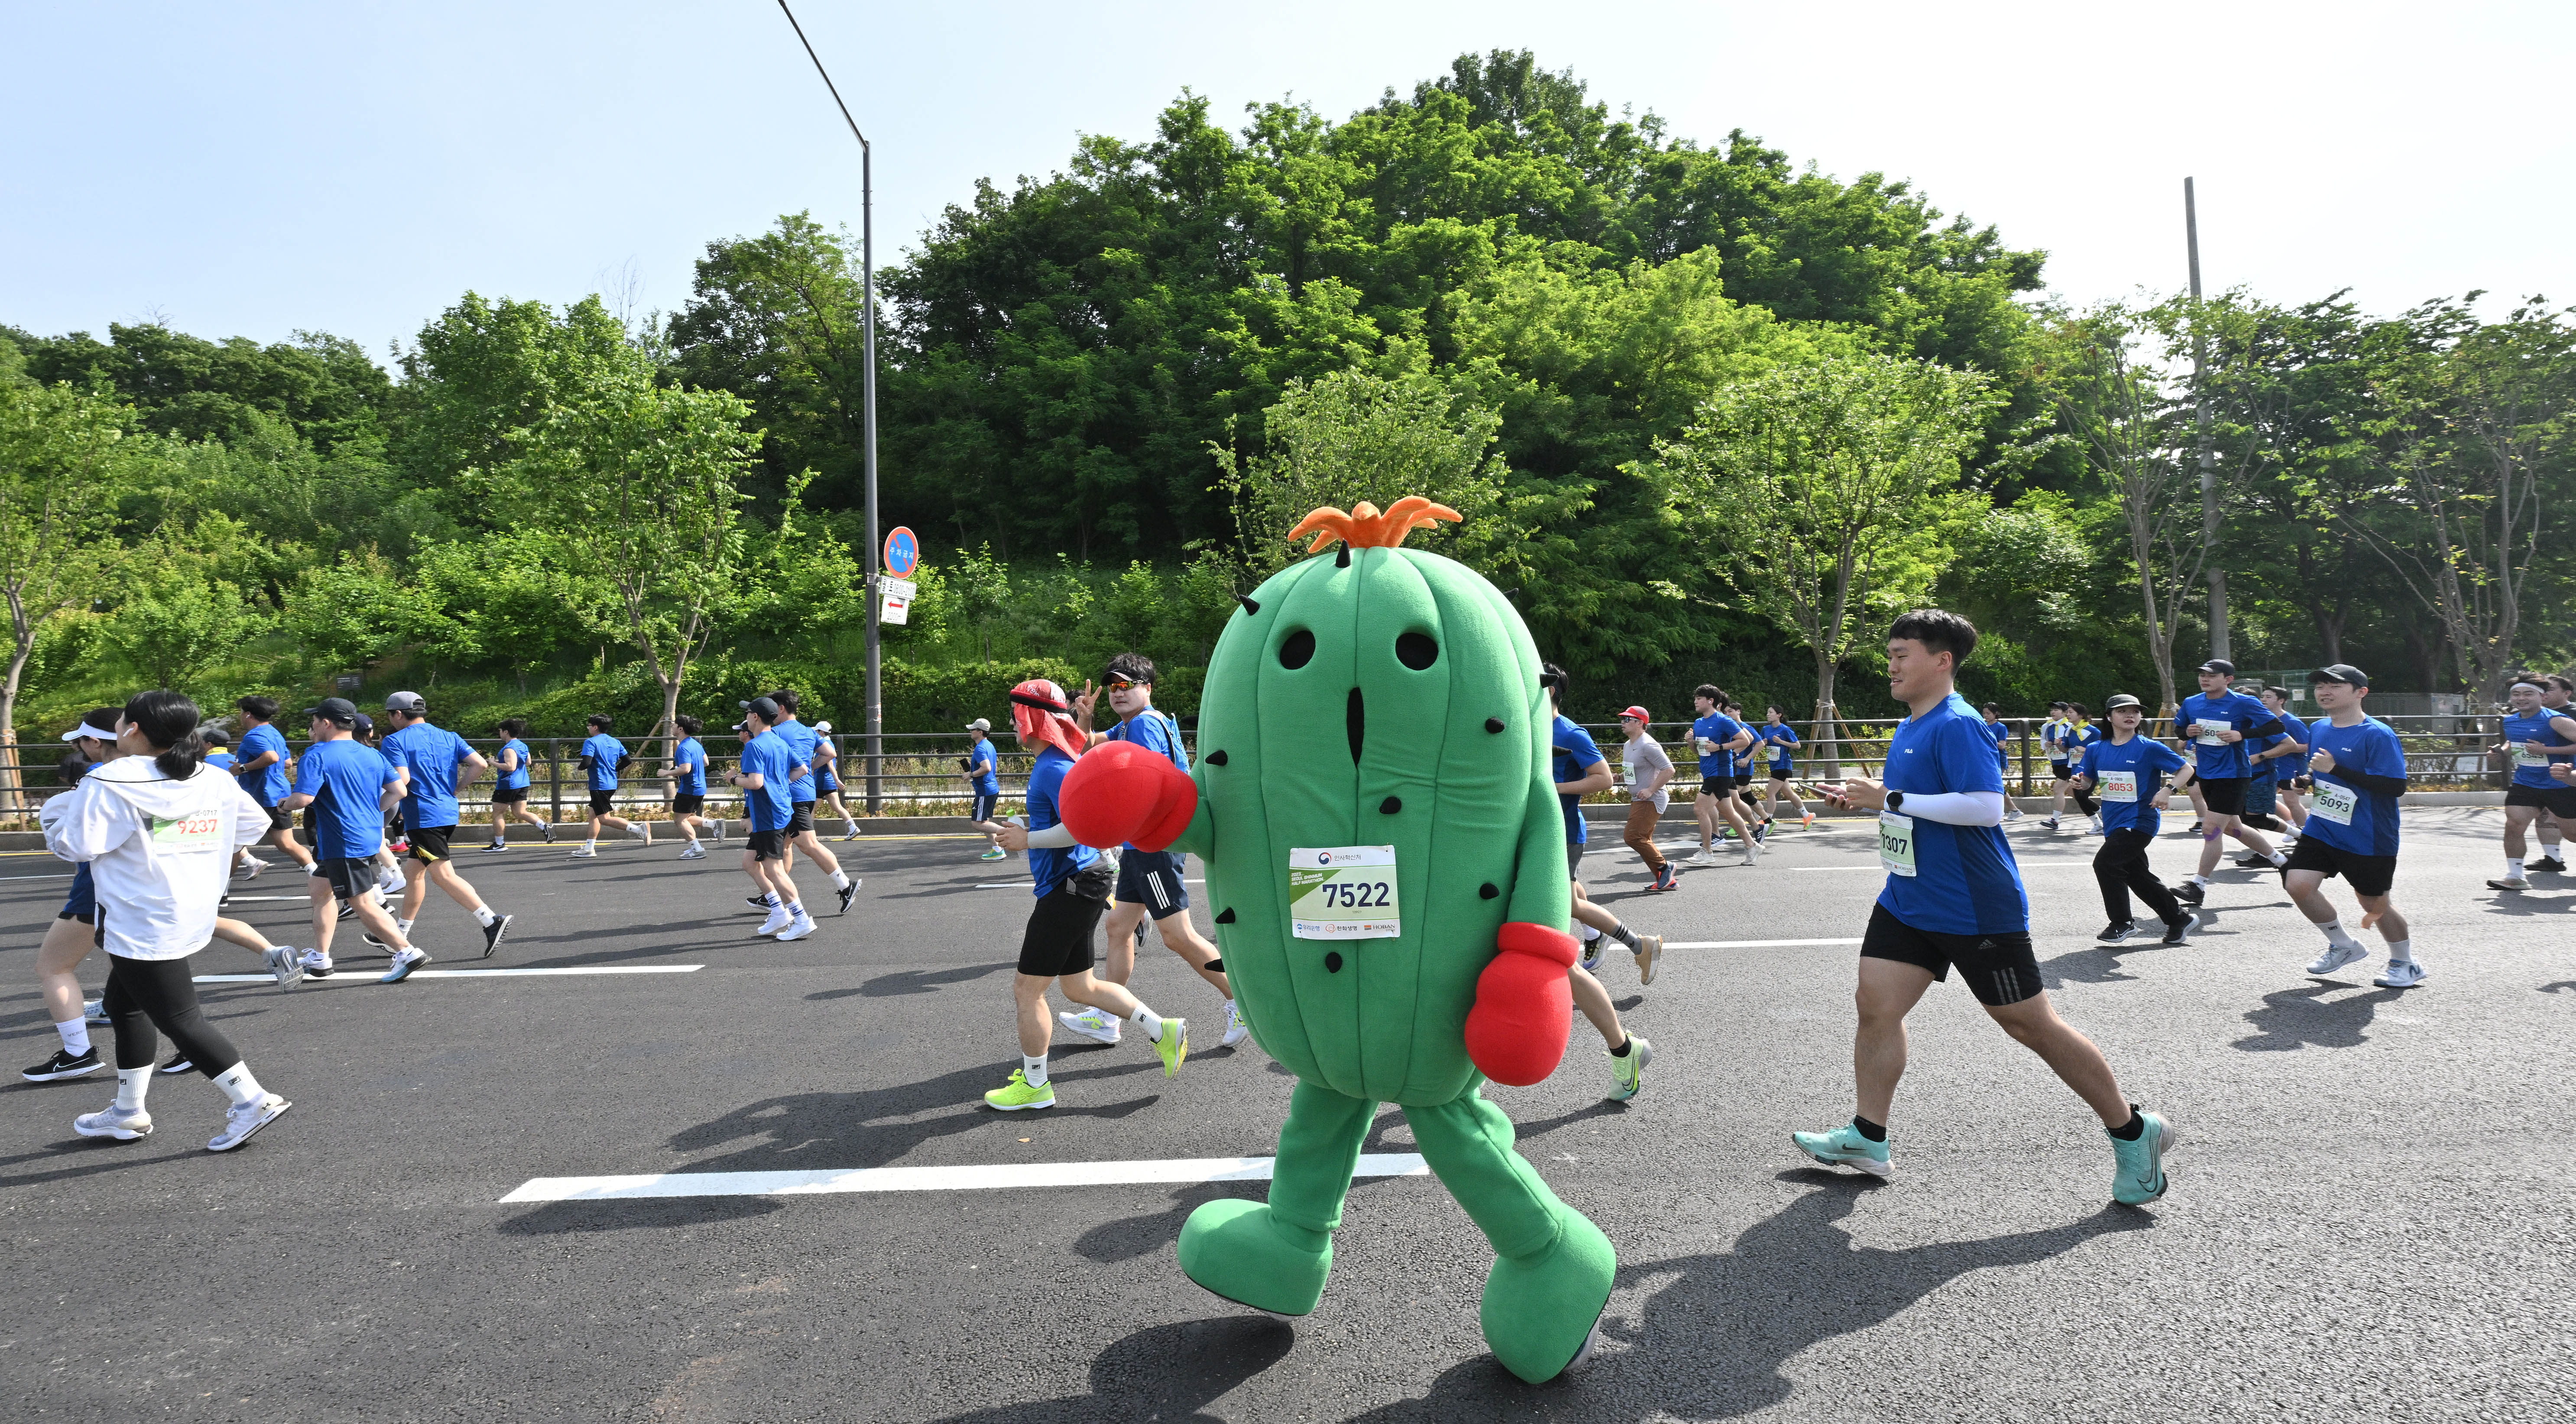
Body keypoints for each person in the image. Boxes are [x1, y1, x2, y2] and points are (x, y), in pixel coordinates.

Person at [1794, 609, 2172, 1204]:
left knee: (2030, 1025)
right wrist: (1871, 803)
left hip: (1973, 906)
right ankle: (1868, 1136)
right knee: (1874, 1006)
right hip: (1908, 897)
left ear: (1941, 661)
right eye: (1890, 653)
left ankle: (2132, 1130)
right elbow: (1920, 806)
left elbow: (1985, 807)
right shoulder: (1911, 723)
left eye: (1902, 654)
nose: (1890, 664)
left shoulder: (1958, 723)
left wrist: (1888, 796)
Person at [45, 690, 292, 1151]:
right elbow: (252, 827)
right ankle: (127, 1112)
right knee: (125, 1006)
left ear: (132, 729)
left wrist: (54, 817)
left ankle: (252, 1100)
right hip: (190, 906)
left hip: (139, 917)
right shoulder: (210, 775)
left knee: (182, 1019)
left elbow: (76, 848)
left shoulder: (111, 779)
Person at [978, 679, 1187, 1110]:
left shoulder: (1053, 767)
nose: (1012, 725)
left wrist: (1026, 841)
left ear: (1032, 719)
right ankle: (1162, 1030)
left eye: (1016, 716)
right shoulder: (1056, 762)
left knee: (1026, 991)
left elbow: (1081, 826)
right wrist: (1028, 831)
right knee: (1080, 986)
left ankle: (1035, 1087)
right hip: (1084, 883)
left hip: (1069, 887)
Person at [1055, 654, 1249, 1050]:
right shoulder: (1132, 724)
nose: (1119, 693)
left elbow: (1141, 784)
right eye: (1113, 687)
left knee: (1177, 936)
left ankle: (1242, 1003)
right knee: (1118, 928)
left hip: (1154, 845)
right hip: (1140, 845)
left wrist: (1110, 823)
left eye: (1127, 685)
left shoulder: (1144, 724)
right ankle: (1108, 1016)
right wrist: (1086, 717)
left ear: (1148, 688)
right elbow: (1087, 745)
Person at [1543, 666, 1658, 1100]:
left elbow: (1604, 778)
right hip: (1530, 838)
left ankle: (1633, 947)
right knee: (1571, 905)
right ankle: (1633, 945)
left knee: (1555, 940)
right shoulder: (1519, 726)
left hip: (1560, 836)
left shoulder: (1569, 732)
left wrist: (1553, 785)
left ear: (1549, 690)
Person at [281, 698, 432, 984]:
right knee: (319, 889)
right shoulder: (371, 754)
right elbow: (399, 790)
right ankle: (320, 958)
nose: (312, 725)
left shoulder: (318, 754)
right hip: (360, 836)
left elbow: (304, 799)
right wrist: (371, 811)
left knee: (362, 902)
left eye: (314, 720)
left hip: (342, 840)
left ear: (326, 723)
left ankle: (406, 952)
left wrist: (283, 806)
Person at [2287, 665, 2420, 987]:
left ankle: (2405, 962)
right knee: (2298, 885)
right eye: (2320, 684)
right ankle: (2344, 945)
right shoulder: (2318, 727)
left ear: (2361, 692)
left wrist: (2337, 769)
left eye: (2334, 684)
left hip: (2368, 833)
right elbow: (2323, 772)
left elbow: (2395, 787)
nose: (2324, 690)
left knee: (2373, 903)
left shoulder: (2377, 734)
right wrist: (2308, 779)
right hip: (2324, 825)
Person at [380, 692, 512, 958]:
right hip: (447, 812)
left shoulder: (395, 741)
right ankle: (399, 933)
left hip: (423, 817)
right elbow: (480, 764)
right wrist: (458, 788)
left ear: (397, 714)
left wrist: (375, 803)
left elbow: (401, 779)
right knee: (414, 874)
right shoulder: (449, 735)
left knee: (443, 875)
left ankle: (491, 921)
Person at [2073, 695, 2198, 945]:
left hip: (2140, 820)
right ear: (2109, 717)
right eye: (2123, 711)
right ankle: (2178, 919)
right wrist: (2079, 782)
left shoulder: (2148, 748)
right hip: (2113, 821)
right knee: (2137, 874)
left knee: (2105, 864)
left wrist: (2168, 790)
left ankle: (2122, 923)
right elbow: (2087, 781)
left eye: (2135, 712)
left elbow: (2186, 769)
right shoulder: (2097, 749)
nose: (2130, 715)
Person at [2172, 659, 2289, 906]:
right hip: (2207, 773)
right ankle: (2283, 862)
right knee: (2234, 828)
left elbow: (2276, 725)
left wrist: (2241, 734)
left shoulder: (2243, 702)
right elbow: (2180, 730)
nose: (2205, 679)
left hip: (2234, 775)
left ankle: (2198, 886)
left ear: (2228, 680)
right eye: (2202, 675)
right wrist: (2188, 733)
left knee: (2211, 829)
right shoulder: (2192, 702)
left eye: (2212, 675)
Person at [756, 691, 859, 914]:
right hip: (804, 792)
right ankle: (772, 894)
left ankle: (846, 885)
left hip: (791, 796)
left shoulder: (775, 732)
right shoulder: (807, 731)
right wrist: (808, 770)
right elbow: (829, 753)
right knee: (785, 845)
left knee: (808, 844)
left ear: (781, 708)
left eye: (774, 707)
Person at [723, 699, 815, 940]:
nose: (748, 715)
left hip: (768, 815)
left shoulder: (754, 746)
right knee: (749, 863)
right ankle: (778, 911)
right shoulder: (779, 741)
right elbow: (803, 770)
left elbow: (755, 783)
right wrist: (781, 784)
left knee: (774, 870)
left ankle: (802, 919)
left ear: (755, 717)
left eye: (749, 712)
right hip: (779, 811)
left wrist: (733, 779)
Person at [2486, 675, 2576, 892]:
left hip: (2560, 784)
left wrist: (2548, 751)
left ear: (2542, 697)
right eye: (2516, 694)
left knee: (2571, 834)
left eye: (2528, 693)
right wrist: (2502, 752)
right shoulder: (2510, 720)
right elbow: (2513, 743)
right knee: (2514, 825)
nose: (2521, 698)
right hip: (2526, 783)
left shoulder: (2556, 720)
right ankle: (2515, 876)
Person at [230, 695, 316, 876]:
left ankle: (222, 892)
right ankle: (317, 874)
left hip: (257, 796)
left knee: (234, 844)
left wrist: (243, 767)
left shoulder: (253, 736)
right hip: (280, 794)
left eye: (241, 712)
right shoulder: (275, 733)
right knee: (286, 844)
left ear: (248, 715)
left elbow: (272, 758)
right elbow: (287, 762)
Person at [1683, 686, 1758, 867]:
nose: (1696, 701)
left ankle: (1707, 852)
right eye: (1696, 698)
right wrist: (1691, 742)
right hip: (1708, 771)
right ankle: (1752, 846)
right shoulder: (1699, 722)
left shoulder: (1723, 720)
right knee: (1729, 812)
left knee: (1700, 809)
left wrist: (1720, 747)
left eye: (1699, 698)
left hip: (1721, 773)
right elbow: (1699, 752)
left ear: (1711, 701)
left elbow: (1746, 740)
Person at [1615, 707, 1680, 891]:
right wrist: (1620, 777)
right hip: (1639, 798)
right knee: (1644, 839)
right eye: (1623, 719)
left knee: (1633, 837)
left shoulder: (1648, 745)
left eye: (1628, 719)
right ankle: (1666, 880)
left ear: (1640, 723)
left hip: (1652, 799)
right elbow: (1635, 770)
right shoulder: (1628, 745)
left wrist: (1651, 790)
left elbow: (1669, 770)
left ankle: (1665, 867)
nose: (1623, 722)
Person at [573, 714, 649, 856]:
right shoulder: (615, 742)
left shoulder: (591, 742)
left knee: (604, 818)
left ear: (595, 727)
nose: (588, 728)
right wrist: (614, 769)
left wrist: (580, 768)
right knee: (592, 815)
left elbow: (587, 762)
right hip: (611, 783)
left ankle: (638, 830)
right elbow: (627, 760)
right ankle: (589, 848)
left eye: (589, 726)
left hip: (599, 785)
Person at [482, 718, 550, 850]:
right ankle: (544, 826)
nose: (500, 733)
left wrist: (493, 762)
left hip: (508, 784)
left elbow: (510, 767)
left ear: (506, 732)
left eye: (501, 731)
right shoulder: (522, 745)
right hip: (522, 783)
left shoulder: (508, 748)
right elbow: (528, 762)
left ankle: (499, 844)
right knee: (519, 812)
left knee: (498, 813)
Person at [2531, 675, 2576, 873]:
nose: (2544, 693)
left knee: (2571, 827)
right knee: (2545, 815)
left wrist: (2546, 751)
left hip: (2571, 774)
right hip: (2545, 775)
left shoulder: (2573, 714)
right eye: (2540, 689)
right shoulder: (2534, 714)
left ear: (2567, 693)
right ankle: (2552, 858)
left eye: (2549, 689)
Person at [2043, 703, 2103, 834]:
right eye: (2068, 712)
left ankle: (2102, 817)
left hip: (2090, 768)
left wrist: (2085, 750)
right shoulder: (2070, 731)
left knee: (2082, 797)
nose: (2068, 715)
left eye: (2071, 712)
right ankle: (2099, 822)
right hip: (2075, 768)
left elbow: (2102, 750)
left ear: (2081, 715)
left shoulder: (2094, 731)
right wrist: (2059, 745)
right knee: (2080, 797)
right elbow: (2065, 749)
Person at [666, 714, 719, 858]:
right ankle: (714, 824)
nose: (672, 726)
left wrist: (667, 773)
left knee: (680, 820)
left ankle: (697, 849)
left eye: (674, 724)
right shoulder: (695, 744)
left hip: (689, 789)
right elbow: (706, 762)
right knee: (686, 817)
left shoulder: (683, 748)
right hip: (700, 787)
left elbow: (685, 769)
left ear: (681, 729)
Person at [810, 719, 864, 841]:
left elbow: (830, 765)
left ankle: (810, 836)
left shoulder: (824, 745)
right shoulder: (830, 744)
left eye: (817, 731)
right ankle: (853, 827)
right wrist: (835, 780)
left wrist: (837, 779)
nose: (816, 734)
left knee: (811, 808)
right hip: (828, 782)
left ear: (822, 732)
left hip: (821, 781)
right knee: (837, 807)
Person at [1758, 705, 1811, 827]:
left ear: (1779, 715)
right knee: (1788, 793)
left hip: (1783, 765)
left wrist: (1782, 742)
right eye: (1767, 712)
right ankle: (1807, 815)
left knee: (1770, 792)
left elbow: (1797, 745)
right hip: (1774, 764)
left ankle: (1768, 822)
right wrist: (1763, 743)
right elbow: (1760, 744)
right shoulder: (1766, 729)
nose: (1768, 715)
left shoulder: (1785, 730)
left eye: (1771, 712)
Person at [963, 717, 1006, 861]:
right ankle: (997, 850)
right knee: (984, 821)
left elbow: (987, 768)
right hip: (990, 788)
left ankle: (1008, 833)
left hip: (985, 790)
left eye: (973, 730)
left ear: (980, 732)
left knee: (977, 823)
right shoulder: (989, 745)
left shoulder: (981, 748)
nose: (970, 732)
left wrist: (971, 774)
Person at [1980, 702, 2025, 819]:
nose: (1986, 716)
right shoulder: (1983, 725)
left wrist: (1987, 740)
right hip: (1986, 759)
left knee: (1996, 786)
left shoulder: (2001, 727)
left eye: (1988, 713)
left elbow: (2002, 745)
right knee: (1994, 785)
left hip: (1998, 760)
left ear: (1996, 714)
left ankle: (2012, 810)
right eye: (1984, 713)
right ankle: (2010, 810)